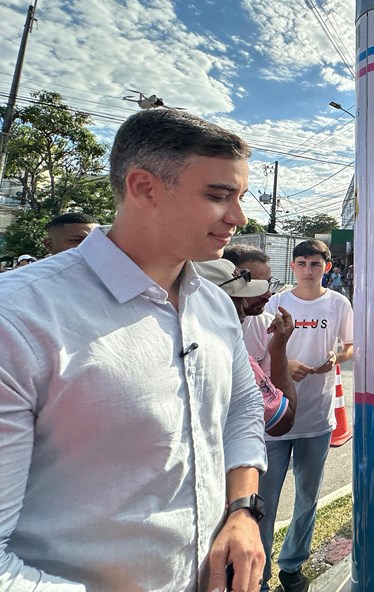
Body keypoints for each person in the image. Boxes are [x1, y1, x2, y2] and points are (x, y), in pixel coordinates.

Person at [0, 108, 266, 591]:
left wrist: (243, 511)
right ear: (143, 187)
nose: (238, 218)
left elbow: (241, 409)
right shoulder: (19, 318)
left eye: (240, 197)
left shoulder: (215, 307)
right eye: (217, 195)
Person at [254, 239, 353, 592]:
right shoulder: (278, 302)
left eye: (315, 263)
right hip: (276, 417)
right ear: (293, 266)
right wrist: (284, 362)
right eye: (302, 263)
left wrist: (336, 358)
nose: (308, 270)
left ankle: (292, 565)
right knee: (263, 503)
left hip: (316, 419)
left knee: (308, 498)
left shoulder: (339, 303)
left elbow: (350, 346)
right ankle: (259, 575)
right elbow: (257, 349)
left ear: (327, 267)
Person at [196, 257, 298, 436]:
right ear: (211, 300)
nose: (243, 305)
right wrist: (278, 351)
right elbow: (283, 421)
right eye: (238, 298)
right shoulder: (236, 357)